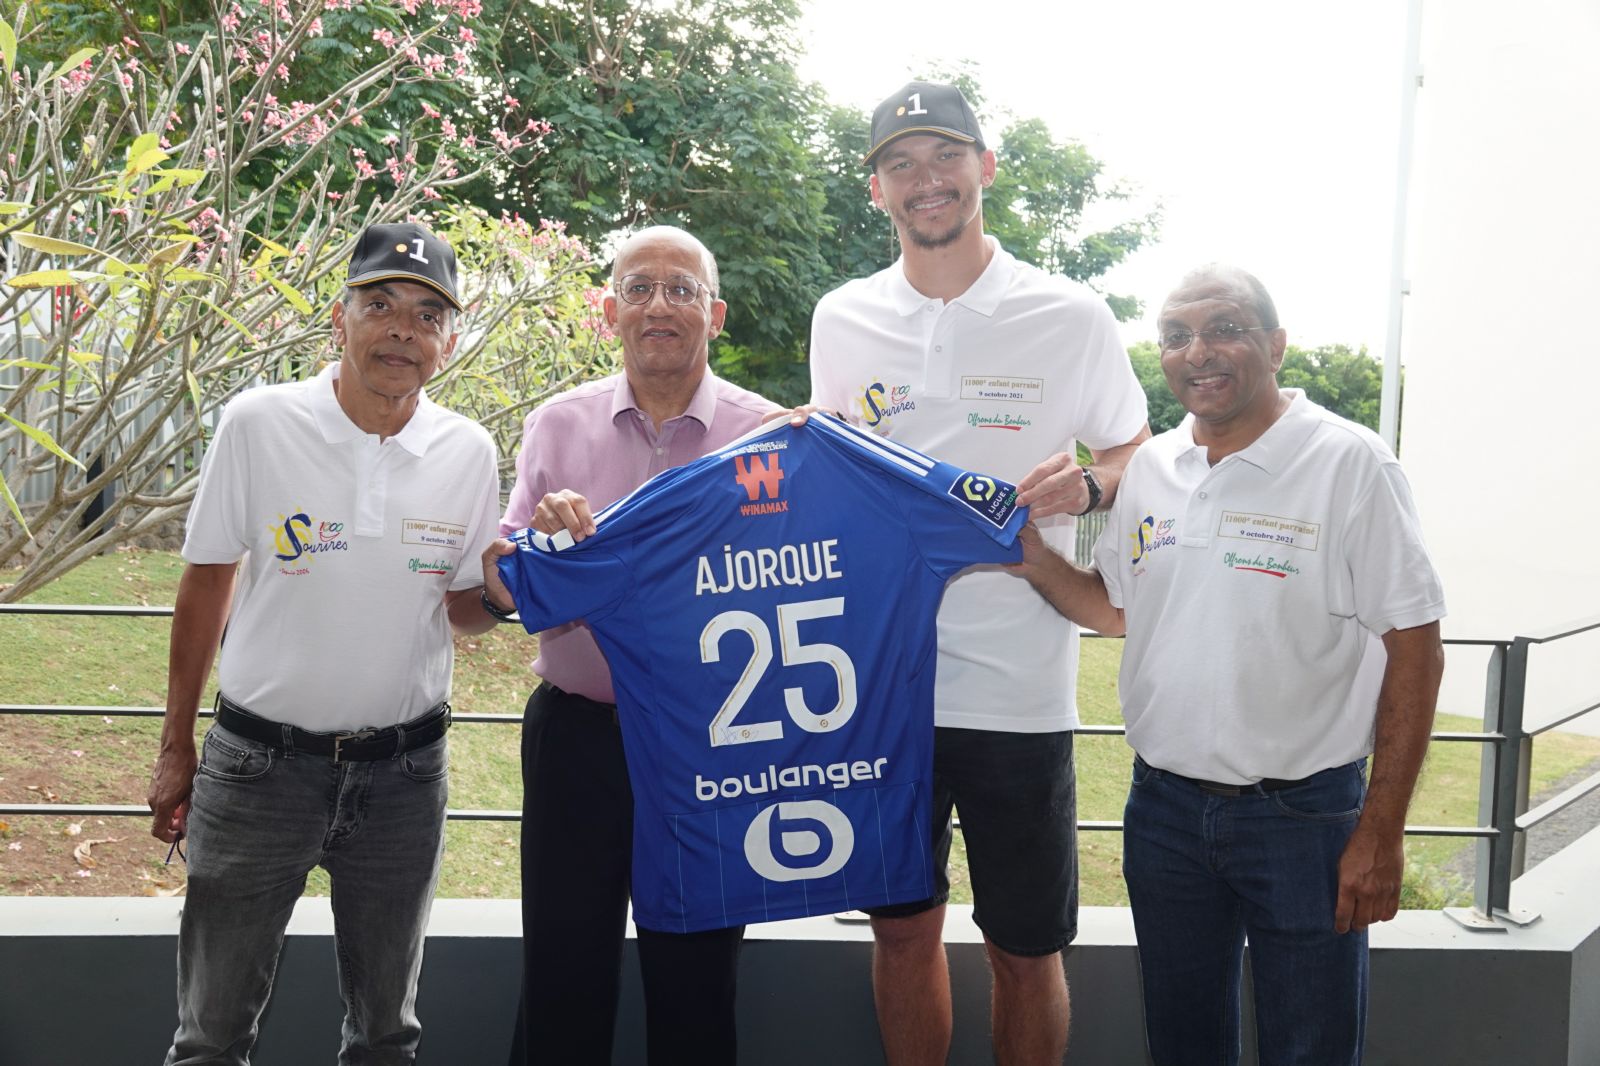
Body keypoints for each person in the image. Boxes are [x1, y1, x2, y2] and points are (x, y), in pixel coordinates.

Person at [1013, 264, 1446, 1065]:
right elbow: (1115, 611)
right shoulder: (1151, 470)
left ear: (1276, 345)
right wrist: (1030, 559)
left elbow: (1415, 641)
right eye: (1176, 336)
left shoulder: (1350, 464)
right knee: (1182, 1043)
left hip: (1305, 820)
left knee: (1309, 1047)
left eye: (1225, 328)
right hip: (1165, 814)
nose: (1197, 352)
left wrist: (1381, 833)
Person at [806, 80, 1151, 1065]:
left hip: (1018, 695)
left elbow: (1135, 451)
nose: (927, 181)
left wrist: (1086, 488)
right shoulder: (841, 317)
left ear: (985, 168)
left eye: (946, 156)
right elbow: (829, 470)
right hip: (878, 688)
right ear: (874, 188)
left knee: (1022, 948)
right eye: (902, 164)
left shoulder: (1068, 314)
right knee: (902, 931)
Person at [145, 221, 503, 1064]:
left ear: (448, 341)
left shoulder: (469, 451)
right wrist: (173, 747)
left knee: (386, 1035)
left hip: (405, 778)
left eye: (426, 315)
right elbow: (204, 582)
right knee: (210, 1034)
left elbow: (461, 611)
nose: (401, 331)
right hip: (258, 770)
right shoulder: (259, 423)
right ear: (339, 319)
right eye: (379, 304)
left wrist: (502, 592)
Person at [486, 226, 777, 1066]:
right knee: (561, 977)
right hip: (578, 738)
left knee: (696, 983)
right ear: (609, 310)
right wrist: (536, 553)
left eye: (682, 288)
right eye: (639, 286)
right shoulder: (557, 425)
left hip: (709, 745)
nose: (660, 303)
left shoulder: (768, 438)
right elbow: (502, 588)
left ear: (714, 315)